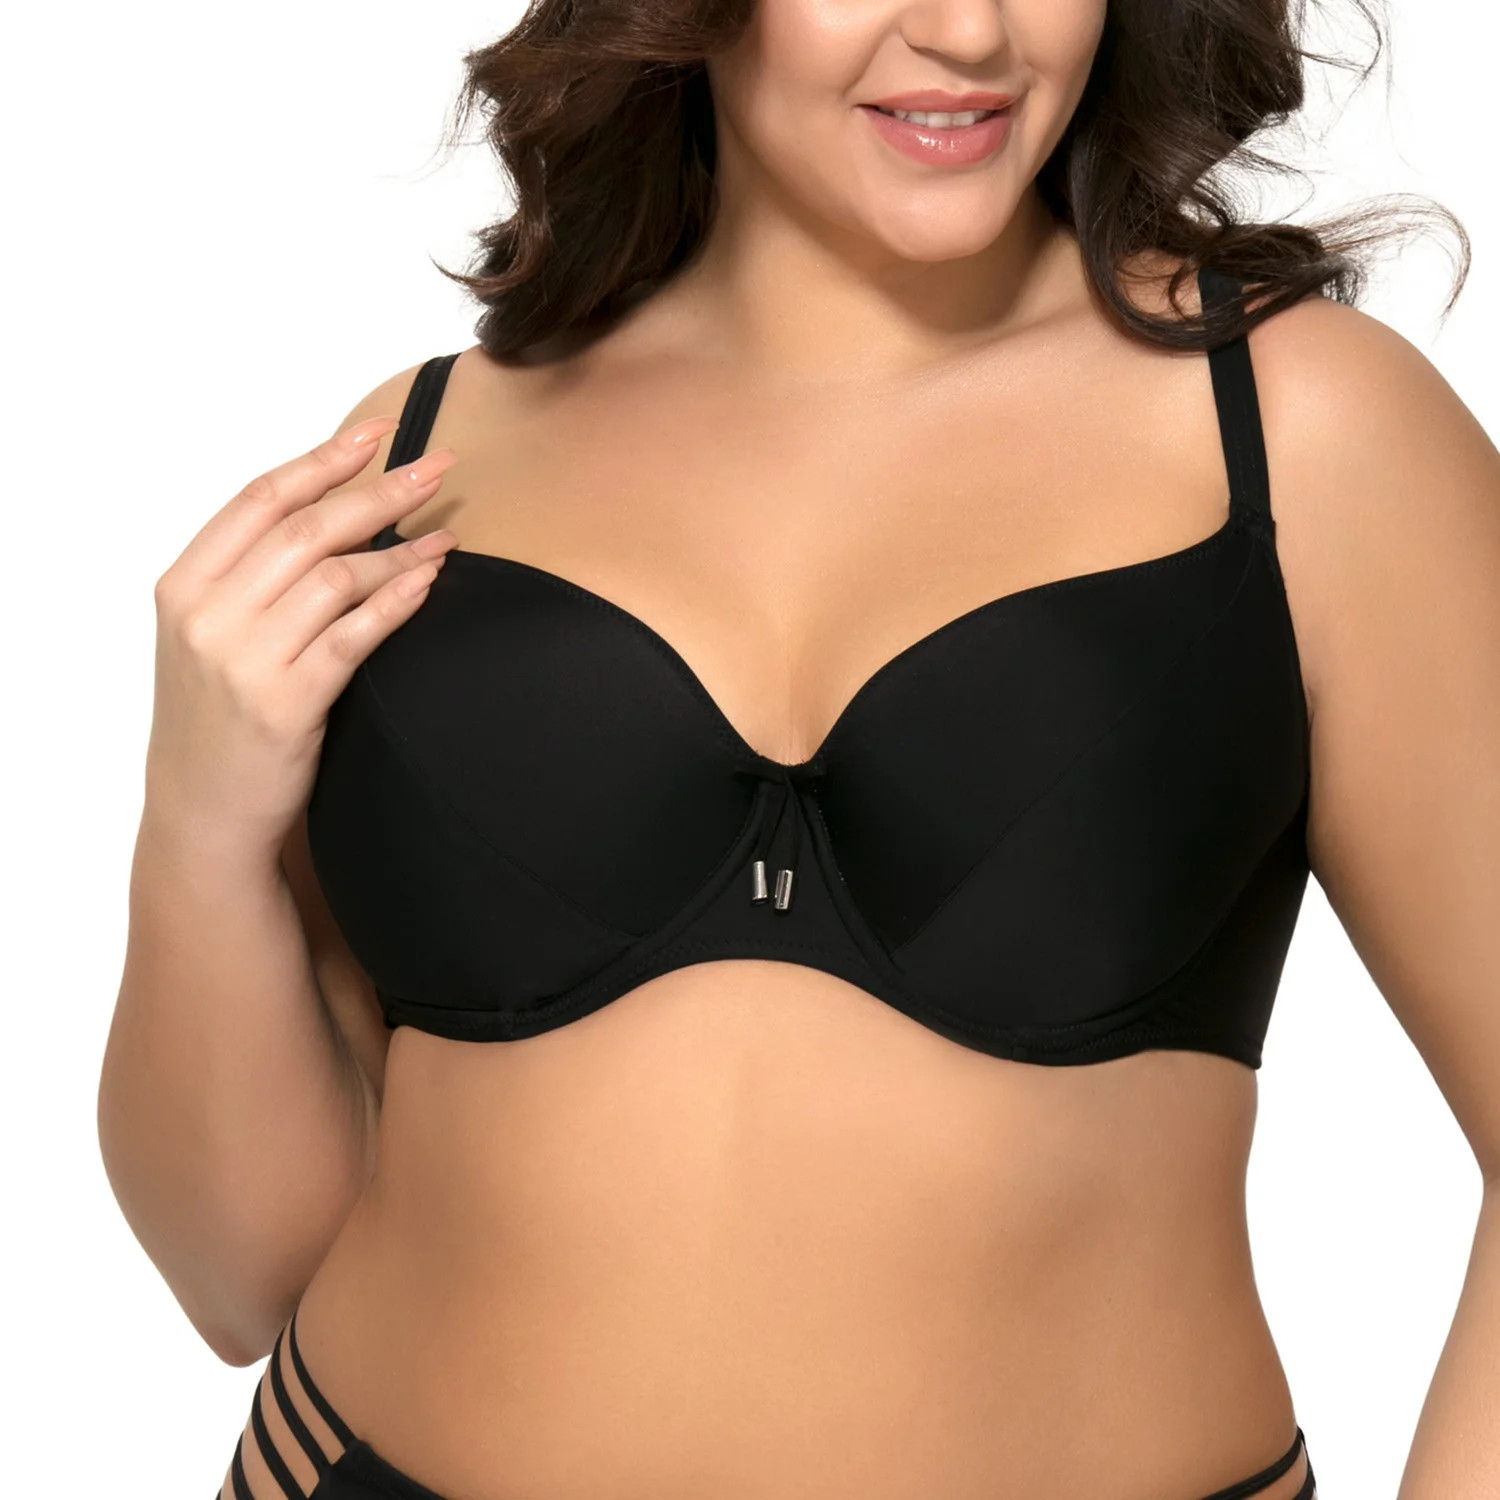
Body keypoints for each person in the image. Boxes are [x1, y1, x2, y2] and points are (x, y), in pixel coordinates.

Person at [97, 2, 1499, 1498]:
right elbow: (242, 1275)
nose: (968, 31)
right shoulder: (423, 458)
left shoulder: (1302, 432)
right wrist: (195, 826)